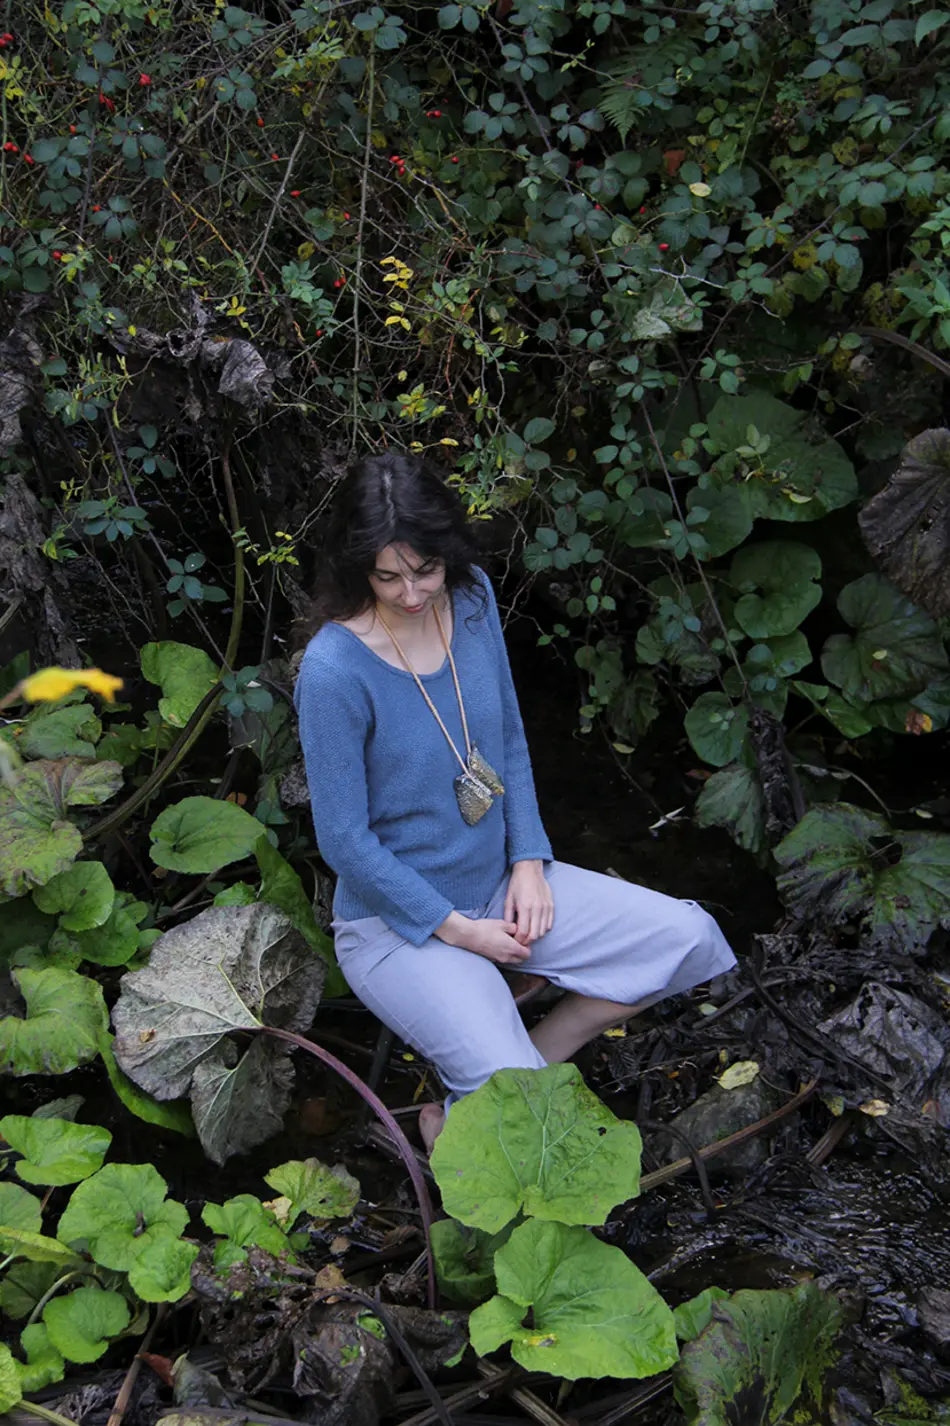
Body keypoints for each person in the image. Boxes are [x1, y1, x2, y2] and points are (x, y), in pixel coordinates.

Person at [295, 451, 736, 1152]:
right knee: (527, 1120)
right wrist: (457, 930)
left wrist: (529, 859)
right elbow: (344, 842)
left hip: (500, 884)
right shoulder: (333, 670)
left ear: (448, 551)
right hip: (399, 925)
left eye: (425, 570)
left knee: (688, 940)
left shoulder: (470, 600)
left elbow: (505, 739)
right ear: (356, 568)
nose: (412, 594)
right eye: (387, 576)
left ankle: (533, 1058)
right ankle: (489, 1094)